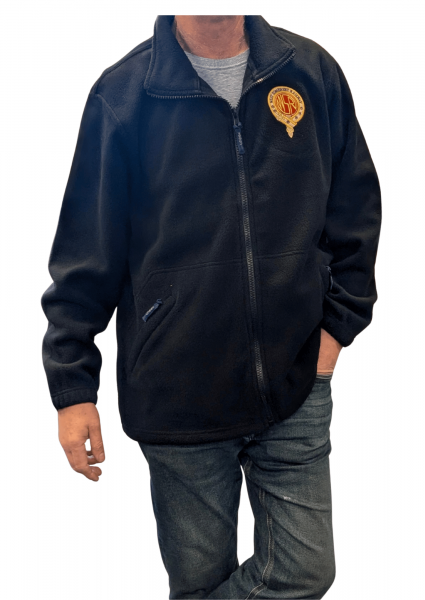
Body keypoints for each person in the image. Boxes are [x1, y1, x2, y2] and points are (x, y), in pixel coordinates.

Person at [41, 14, 381, 599]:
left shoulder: (309, 73)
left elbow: (355, 211)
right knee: (198, 581)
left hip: (295, 384)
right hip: (177, 397)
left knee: (305, 569)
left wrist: (334, 333)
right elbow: (86, 251)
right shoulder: (123, 96)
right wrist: (73, 387)